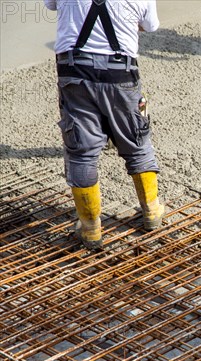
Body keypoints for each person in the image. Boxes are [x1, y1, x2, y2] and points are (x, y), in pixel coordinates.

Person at [44, 0, 165, 249]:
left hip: (74, 72)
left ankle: (90, 229)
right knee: (136, 142)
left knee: (81, 152)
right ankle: (151, 211)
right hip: (121, 74)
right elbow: (149, 26)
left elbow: (51, 5)